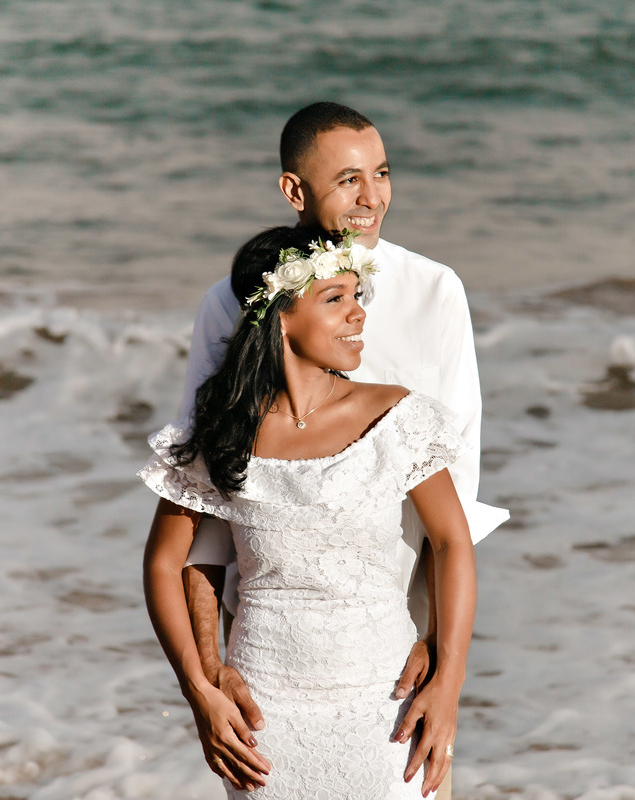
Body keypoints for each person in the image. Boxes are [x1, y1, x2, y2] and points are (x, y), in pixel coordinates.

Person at [179, 102, 508, 796]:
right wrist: (207, 680)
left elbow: (459, 504)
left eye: (382, 174)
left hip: (401, 652)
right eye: (349, 180)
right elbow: (199, 518)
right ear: (295, 192)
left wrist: (443, 657)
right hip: (269, 650)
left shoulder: (433, 293)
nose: (372, 198)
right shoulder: (230, 304)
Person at [141, 225, 477, 798]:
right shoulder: (223, 429)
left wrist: (448, 683)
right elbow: (165, 564)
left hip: (386, 704)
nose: (358, 315)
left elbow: (452, 543)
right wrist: (200, 688)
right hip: (264, 718)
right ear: (279, 316)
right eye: (335, 298)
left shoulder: (395, 416)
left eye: (357, 296)